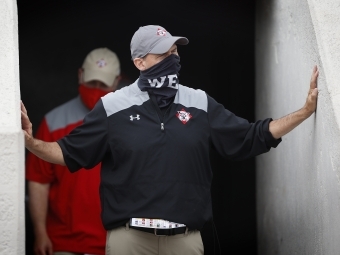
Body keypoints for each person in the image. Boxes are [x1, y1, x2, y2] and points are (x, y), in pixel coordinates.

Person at [21, 25, 319, 255]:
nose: (173, 59)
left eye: (175, 52)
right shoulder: (113, 106)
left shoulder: (199, 102)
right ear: (139, 62)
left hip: (185, 242)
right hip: (130, 241)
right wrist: (31, 142)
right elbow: (68, 152)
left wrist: (304, 112)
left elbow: (251, 136)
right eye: (163, 54)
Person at [26, 47, 127, 255]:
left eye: (103, 84)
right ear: (80, 75)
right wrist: (40, 233)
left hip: (116, 244)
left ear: (117, 81)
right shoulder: (54, 121)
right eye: (92, 82)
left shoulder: (132, 121)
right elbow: (39, 181)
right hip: (63, 243)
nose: (96, 89)